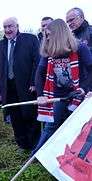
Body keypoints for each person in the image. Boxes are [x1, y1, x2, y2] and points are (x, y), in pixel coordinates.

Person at [32, 19, 92, 155]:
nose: (46, 38)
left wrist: (84, 88)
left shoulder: (80, 47)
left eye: (49, 35)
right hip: (57, 95)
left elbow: (91, 69)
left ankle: (74, 157)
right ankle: (37, 155)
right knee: (50, 125)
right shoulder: (49, 51)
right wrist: (41, 95)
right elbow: (39, 73)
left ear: (59, 34)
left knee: (77, 126)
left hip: (78, 94)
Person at [0, 17, 41, 150]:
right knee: (15, 118)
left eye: (10, 26)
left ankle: (34, 146)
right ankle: (22, 145)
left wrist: (34, 82)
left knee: (29, 115)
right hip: (8, 88)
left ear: (17, 26)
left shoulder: (30, 39)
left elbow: (37, 62)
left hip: (27, 87)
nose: (8, 30)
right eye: (5, 27)